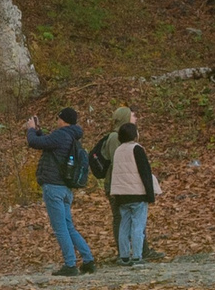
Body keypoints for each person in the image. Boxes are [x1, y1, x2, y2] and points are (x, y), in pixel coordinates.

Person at [24, 107, 96, 276]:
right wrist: (38, 131)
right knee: (68, 226)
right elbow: (47, 143)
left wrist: (31, 130)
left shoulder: (61, 134)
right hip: (65, 188)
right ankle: (88, 260)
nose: (57, 121)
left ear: (63, 120)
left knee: (60, 228)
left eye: (58, 118)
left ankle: (70, 264)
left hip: (53, 187)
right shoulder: (71, 136)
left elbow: (35, 143)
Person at [102, 120, 158, 266]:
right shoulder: (137, 149)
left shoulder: (118, 151)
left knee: (124, 226)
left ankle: (125, 255)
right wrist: (150, 194)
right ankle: (137, 256)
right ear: (135, 135)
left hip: (121, 194)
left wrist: (115, 192)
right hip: (137, 193)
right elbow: (145, 172)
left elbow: (116, 172)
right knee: (138, 225)